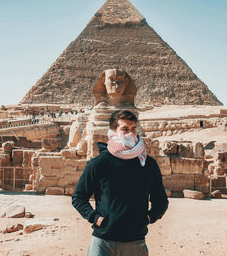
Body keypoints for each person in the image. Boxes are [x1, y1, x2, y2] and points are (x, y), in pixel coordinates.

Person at [72, 110, 168, 256]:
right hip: (103, 242)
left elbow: (161, 201)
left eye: (133, 129)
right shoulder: (99, 163)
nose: (131, 133)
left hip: (135, 242)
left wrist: (148, 219)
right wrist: (96, 219)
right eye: (125, 129)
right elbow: (79, 198)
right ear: (113, 132)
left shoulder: (148, 164)